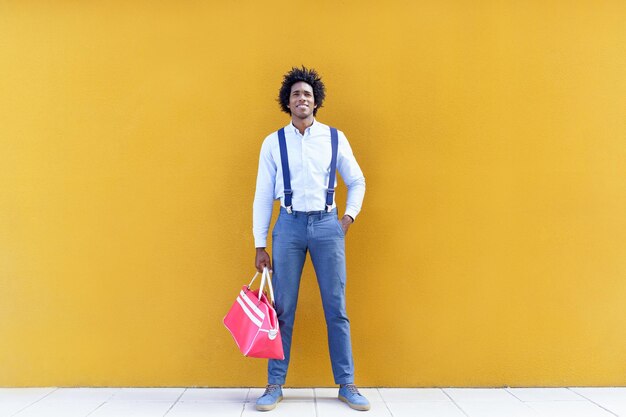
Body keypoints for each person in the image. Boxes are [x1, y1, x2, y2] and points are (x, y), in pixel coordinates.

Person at [252, 66, 369, 412]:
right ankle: (275, 384)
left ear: (316, 102)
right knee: (282, 309)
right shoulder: (273, 142)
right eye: (295, 95)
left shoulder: (335, 138)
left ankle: (347, 384)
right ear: (287, 103)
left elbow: (357, 180)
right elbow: (262, 195)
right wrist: (260, 244)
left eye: (307, 94)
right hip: (287, 227)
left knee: (337, 307)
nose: (301, 99)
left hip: (327, 226)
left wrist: (347, 217)